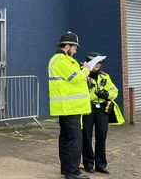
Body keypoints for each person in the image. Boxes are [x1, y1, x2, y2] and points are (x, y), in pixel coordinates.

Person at [48, 31, 92, 179]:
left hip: (66, 106)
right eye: (74, 47)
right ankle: (73, 172)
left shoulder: (60, 60)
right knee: (74, 140)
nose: (76, 50)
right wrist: (86, 69)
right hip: (70, 107)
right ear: (67, 46)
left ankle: (67, 169)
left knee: (66, 139)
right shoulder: (62, 60)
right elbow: (76, 78)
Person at [82, 53, 119, 174]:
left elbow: (114, 90)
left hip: (102, 109)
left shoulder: (105, 76)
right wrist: (93, 95)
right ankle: (88, 164)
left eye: (99, 63)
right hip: (88, 108)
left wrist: (107, 94)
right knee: (86, 137)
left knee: (101, 136)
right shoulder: (83, 76)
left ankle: (101, 164)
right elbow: (78, 93)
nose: (97, 65)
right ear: (88, 63)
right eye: (94, 63)